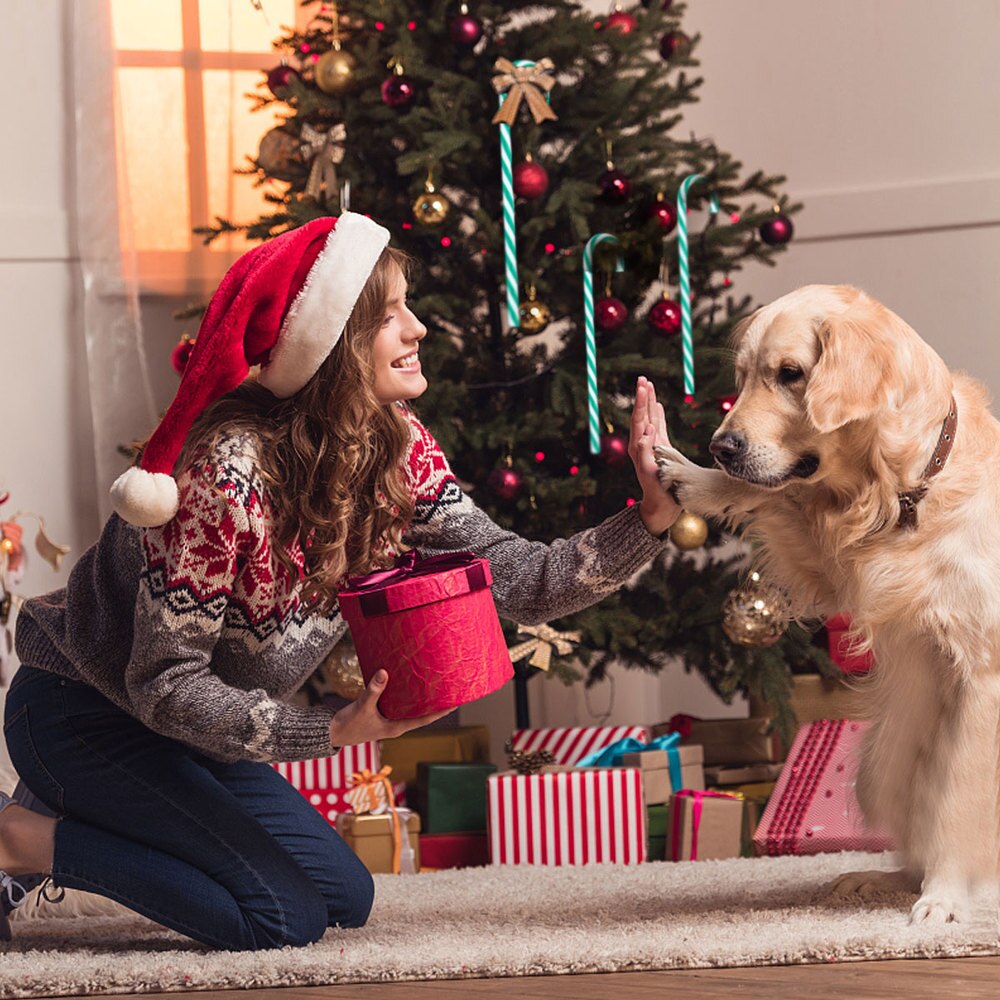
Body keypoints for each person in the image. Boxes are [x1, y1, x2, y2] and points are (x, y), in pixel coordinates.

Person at [0, 213, 680, 951]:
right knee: (276, 916)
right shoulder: (224, 480)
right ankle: (20, 840)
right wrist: (326, 732)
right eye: (388, 317)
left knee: (341, 898)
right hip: (86, 713)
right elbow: (163, 683)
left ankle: (107, 813)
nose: (417, 329)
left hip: (200, 735)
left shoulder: (396, 448)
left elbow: (514, 578)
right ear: (329, 345)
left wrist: (647, 518)